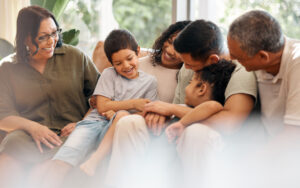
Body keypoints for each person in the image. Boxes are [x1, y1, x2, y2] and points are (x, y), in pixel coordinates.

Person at [104, 19, 257, 188]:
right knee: (129, 122)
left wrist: (171, 109)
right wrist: (161, 113)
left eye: (190, 64)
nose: (185, 68)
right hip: (179, 128)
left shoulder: (241, 70)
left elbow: (230, 123)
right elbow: (178, 107)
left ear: (213, 59)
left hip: (216, 138)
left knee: (196, 132)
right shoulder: (187, 66)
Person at [41, 29, 158, 188]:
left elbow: (145, 110)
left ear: (138, 52)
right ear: (111, 63)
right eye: (118, 63)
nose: (126, 66)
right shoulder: (109, 74)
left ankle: (95, 160)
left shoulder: (150, 82)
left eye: (129, 58)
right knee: (61, 162)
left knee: (122, 114)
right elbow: (102, 106)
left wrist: (116, 110)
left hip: (117, 126)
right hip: (93, 123)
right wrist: (133, 103)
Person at [0, 5, 99, 188]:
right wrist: (33, 127)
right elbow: (3, 116)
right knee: (7, 157)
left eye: (54, 33)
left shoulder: (75, 57)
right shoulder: (8, 69)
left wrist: (82, 124)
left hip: (71, 134)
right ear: (26, 39)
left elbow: (102, 98)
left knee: (40, 173)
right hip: (29, 137)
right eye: (43, 37)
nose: (52, 41)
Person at [227, 10, 300, 187]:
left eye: (238, 57)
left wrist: (247, 164)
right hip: (270, 143)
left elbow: (294, 136)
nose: (232, 59)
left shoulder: (297, 62)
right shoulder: (259, 58)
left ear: (263, 56)